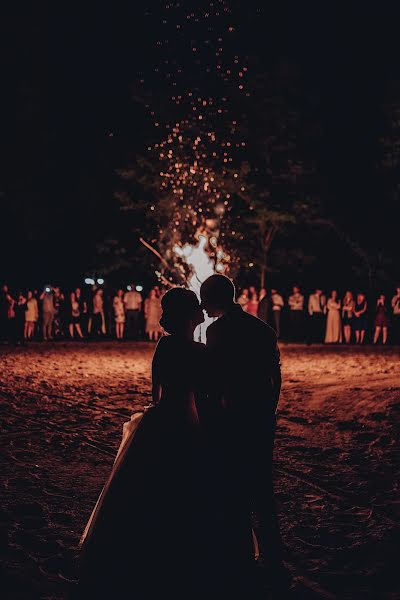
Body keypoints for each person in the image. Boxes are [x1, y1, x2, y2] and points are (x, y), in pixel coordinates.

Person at [77, 288, 255, 599]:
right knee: (193, 491)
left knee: (150, 489)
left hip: (159, 423)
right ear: (191, 316)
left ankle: (149, 552)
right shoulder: (200, 353)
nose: (202, 310)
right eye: (197, 307)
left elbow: (155, 396)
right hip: (189, 423)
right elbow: (216, 394)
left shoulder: (163, 346)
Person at [200, 274, 289, 592]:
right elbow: (275, 376)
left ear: (214, 299)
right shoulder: (263, 330)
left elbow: (213, 378)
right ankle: (274, 560)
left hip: (231, 420)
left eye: (203, 298)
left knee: (232, 490)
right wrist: (270, 410)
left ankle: (239, 559)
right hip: (260, 417)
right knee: (263, 491)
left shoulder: (216, 331)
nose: (201, 305)